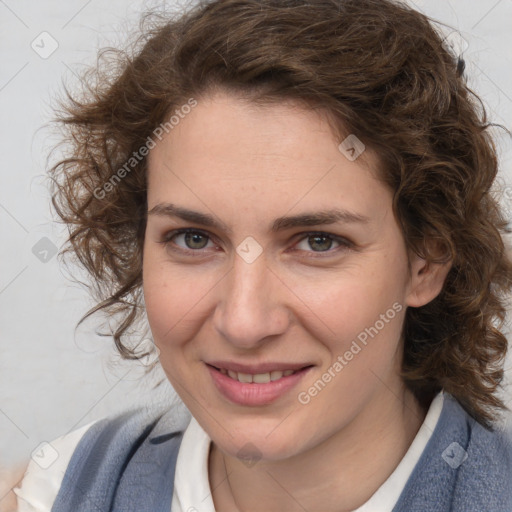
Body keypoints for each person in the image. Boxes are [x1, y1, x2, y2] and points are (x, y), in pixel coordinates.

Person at [10, 0, 512, 510]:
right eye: (193, 238)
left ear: (426, 262)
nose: (244, 322)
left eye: (318, 241)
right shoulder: (52, 493)